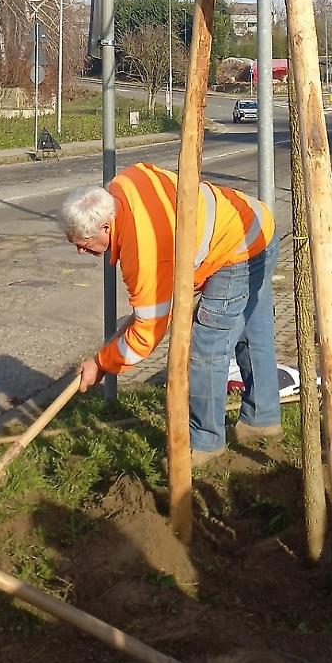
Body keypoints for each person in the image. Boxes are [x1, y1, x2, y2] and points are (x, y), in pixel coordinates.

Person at [58, 162, 282, 464]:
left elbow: (146, 336)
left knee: (207, 347)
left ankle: (205, 442)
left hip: (237, 249)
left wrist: (101, 363)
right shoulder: (123, 183)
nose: (81, 252)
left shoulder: (144, 254)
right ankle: (262, 418)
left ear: (105, 227)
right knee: (252, 333)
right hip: (256, 224)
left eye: (84, 244)